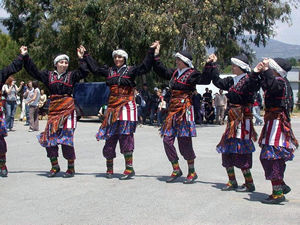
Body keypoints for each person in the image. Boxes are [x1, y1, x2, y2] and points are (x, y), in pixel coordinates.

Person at [80, 42, 157, 180]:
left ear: (124, 59)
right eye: (115, 57)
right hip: (112, 107)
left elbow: (144, 67)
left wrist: (151, 51)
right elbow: (95, 69)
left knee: (126, 135)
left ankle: (129, 168)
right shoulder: (109, 71)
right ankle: (109, 168)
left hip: (127, 106)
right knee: (110, 136)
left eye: (120, 57)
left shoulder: (131, 70)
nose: (117, 59)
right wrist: (86, 55)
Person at [153, 41, 218, 184]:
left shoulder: (192, 74)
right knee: (167, 139)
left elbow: (205, 80)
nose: (176, 62)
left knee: (184, 142)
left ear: (185, 61)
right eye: (176, 60)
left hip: (184, 110)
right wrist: (156, 55)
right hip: (172, 110)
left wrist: (209, 64)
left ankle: (192, 171)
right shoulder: (175, 73)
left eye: (179, 60)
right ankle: (176, 168)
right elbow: (162, 71)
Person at [21, 45, 89, 178]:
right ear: (56, 64)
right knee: (49, 138)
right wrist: (25, 56)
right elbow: (33, 71)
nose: (64, 64)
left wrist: (81, 58)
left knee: (66, 138)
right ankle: (55, 166)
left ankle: (70, 168)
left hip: (68, 110)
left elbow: (84, 72)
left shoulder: (72, 75)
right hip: (54, 110)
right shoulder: (48, 75)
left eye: (66, 62)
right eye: (61, 62)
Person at [212, 54, 260, 192]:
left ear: (241, 68)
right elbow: (217, 82)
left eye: (234, 66)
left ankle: (249, 182)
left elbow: (252, 87)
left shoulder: (248, 81)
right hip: (232, 119)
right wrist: (213, 65)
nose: (232, 68)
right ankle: (232, 180)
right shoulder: (232, 81)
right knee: (226, 149)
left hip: (243, 120)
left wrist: (255, 72)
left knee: (242, 151)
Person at [255, 58, 298, 204]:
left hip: (277, 123)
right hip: (272, 121)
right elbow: (265, 84)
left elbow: (272, 86)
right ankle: (280, 185)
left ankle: (278, 192)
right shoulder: (277, 81)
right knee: (271, 157)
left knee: (271, 157)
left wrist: (266, 71)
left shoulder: (279, 82)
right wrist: (259, 72)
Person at [0, 52, 24, 177]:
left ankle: (2, 165)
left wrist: (21, 56)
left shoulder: (1, 75)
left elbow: (12, 67)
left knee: (0, 141)